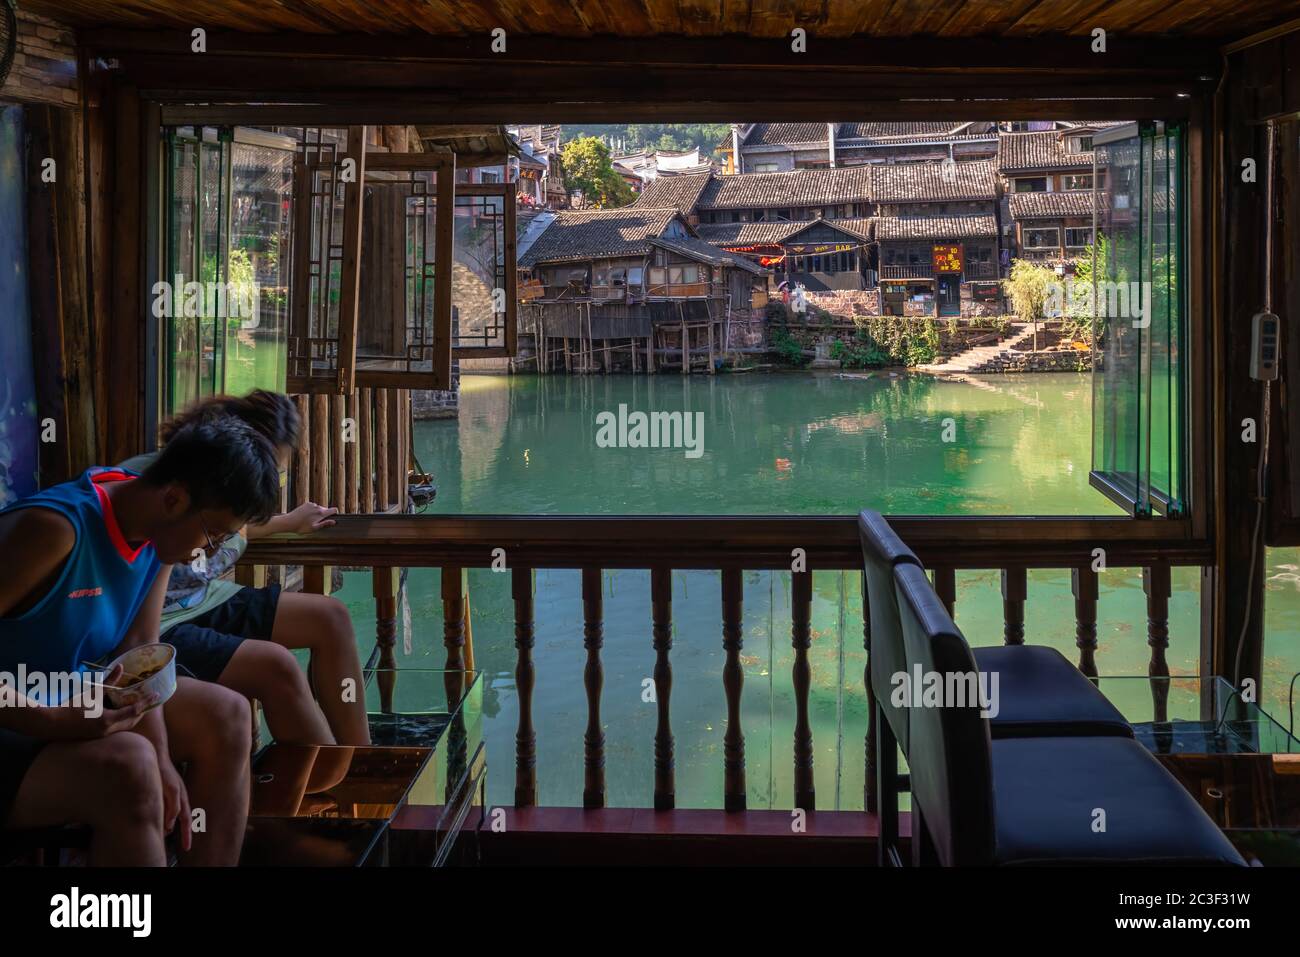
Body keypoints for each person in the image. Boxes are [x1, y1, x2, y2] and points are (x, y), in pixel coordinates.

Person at [0, 413, 282, 865]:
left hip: (64, 697)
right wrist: (48, 720)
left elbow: (139, 652)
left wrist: (164, 757)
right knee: (131, 766)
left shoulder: (159, 536)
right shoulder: (56, 530)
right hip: (18, 716)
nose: (209, 552)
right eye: (214, 534)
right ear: (173, 498)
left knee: (228, 715)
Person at [119, 391, 370, 748]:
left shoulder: (220, 501)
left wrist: (287, 522)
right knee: (275, 665)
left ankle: (360, 760)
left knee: (331, 616)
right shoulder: (162, 483)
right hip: (159, 619)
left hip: (203, 596)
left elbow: (230, 523)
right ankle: (328, 785)